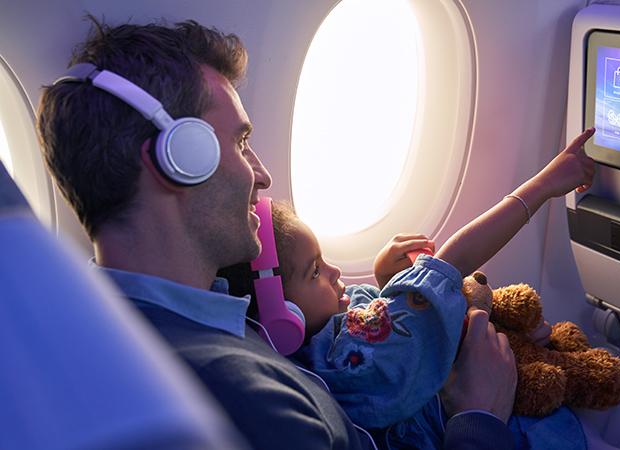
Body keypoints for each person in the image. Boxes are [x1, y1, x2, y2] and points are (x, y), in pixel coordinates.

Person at [36, 18, 518, 449]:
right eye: (240, 142)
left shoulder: (127, 321)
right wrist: (479, 418)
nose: (262, 175)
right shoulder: (240, 397)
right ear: (179, 159)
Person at [265, 128, 620, 450]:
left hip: (522, 408)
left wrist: (384, 281)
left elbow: (397, 336)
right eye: (314, 272)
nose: (335, 271)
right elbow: (449, 266)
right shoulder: (341, 369)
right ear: (282, 317)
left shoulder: (337, 326)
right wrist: (544, 186)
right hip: (523, 433)